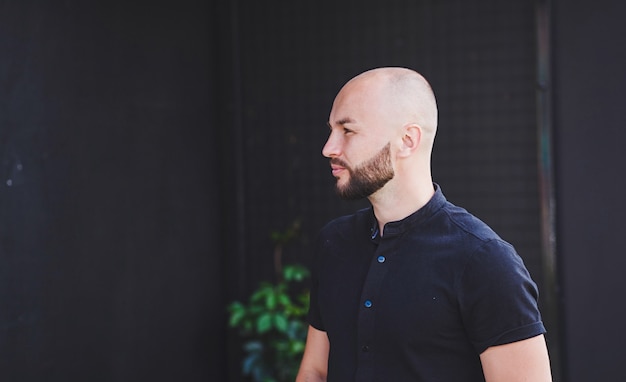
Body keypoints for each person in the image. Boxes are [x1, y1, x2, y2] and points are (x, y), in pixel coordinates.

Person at [296, 67, 552, 381]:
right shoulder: (334, 242)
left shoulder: (485, 261)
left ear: (407, 140)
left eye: (347, 130)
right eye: (331, 130)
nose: (329, 148)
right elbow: (315, 371)